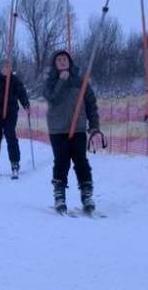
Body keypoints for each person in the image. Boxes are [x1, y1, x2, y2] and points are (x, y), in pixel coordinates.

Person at [44, 50, 100, 214]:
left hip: (78, 128)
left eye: (65, 59)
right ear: (55, 64)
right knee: (61, 161)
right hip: (58, 129)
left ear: (70, 61)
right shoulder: (50, 81)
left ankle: (86, 194)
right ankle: (59, 195)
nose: (62, 61)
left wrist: (94, 126)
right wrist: (61, 81)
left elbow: (91, 104)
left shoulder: (81, 82)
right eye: (59, 59)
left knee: (81, 161)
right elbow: (52, 98)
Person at [0, 62, 30, 180]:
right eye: (5, 67)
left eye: (9, 67)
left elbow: (21, 92)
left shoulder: (14, 80)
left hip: (11, 112)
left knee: (10, 135)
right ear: (1, 67)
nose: (8, 69)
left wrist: (26, 104)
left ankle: (15, 164)